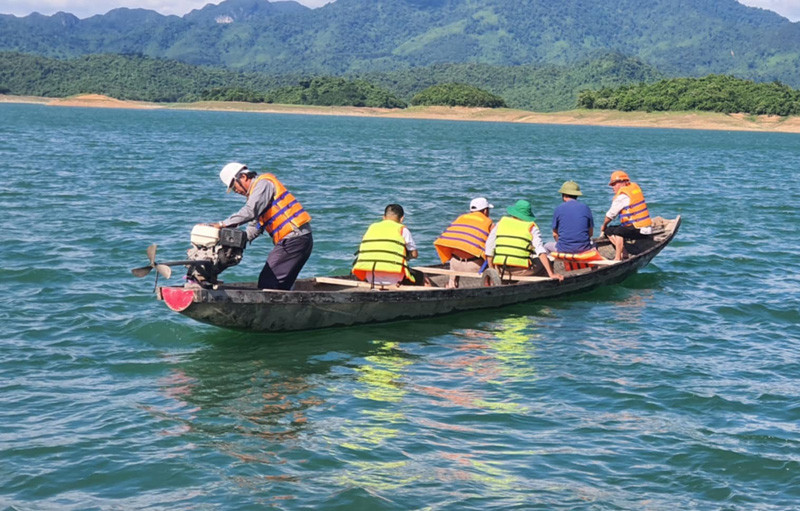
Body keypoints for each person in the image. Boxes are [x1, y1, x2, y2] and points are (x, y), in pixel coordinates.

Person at [211, 162, 313, 290]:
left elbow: (250, 211)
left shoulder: (263, 184)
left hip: (295, 239)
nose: (236, 191)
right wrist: (234, 242)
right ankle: (286, 308)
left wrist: (222, 224)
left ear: (243, 177)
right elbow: (255, 227)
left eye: (234, 186)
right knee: (279, 285)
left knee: (268, 281)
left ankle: (268, 308)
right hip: (297, 240)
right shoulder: (257, 195)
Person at [485, 200, 563, 281]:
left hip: (501, 269)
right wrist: (551, 273)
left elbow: (489, 246)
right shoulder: (531, 228)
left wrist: (492, 270)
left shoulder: (500, 223)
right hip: (521, 270)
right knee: (548, 262)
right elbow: (540, 251)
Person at [433, 197, 494, 288]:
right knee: (492, 255)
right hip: (475, 266)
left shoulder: (460, 218)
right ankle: (489, 284)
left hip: (455, 263)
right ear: (485, 211)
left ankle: (451, 284)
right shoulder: (489, 223)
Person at [352, 204, 419, 287]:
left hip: (370, 277)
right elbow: (414, 255)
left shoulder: (372, 228)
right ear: (402, 219)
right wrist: (404, 256)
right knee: (422, 277)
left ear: (383, 217)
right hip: (394, 279)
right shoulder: (402, 229)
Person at [600, 170, 653, 260]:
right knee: (609, 231)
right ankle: (624, 252)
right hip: (645, 227)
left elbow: (610, 215)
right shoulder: (634, 189)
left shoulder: (622, 196)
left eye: (614, 184)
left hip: (638, 229)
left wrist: (603, 226)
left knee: (618, 232)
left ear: (623, 182)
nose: (613, 187)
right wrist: (606, 229)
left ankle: (617, 258)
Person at [544, 180, 595, 254]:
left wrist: (564, 245)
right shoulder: (586, 208)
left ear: (564, 195)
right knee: (595, 245)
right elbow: (590, 233)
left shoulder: (558, 209)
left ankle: (550, 266)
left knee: (546, 246)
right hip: (584, 249)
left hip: (563, 249)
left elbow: (555, 234)